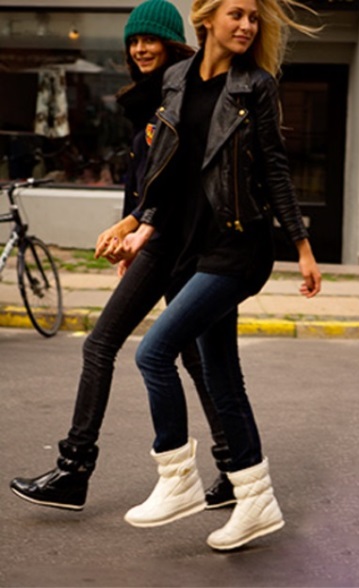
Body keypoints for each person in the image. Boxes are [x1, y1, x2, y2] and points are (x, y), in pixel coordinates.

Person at [106, 0, 322, 551]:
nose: (247, 25)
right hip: (193, 248)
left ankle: (176, 476)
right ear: (206, 19)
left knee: (153, 353)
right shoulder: (177, 78)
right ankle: (255, 499)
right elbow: (167, 169)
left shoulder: (256, 86)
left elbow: (274, 167)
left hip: (238, 247)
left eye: (252, 17)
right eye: (236, 14)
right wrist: (142, 224)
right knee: (222, 375)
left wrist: (301, 245)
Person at [9, 0, 235, 513]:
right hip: (161, 243)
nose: (139, 49)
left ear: (171, 44)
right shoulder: (149, 100)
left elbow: (176, 182)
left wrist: (134, 226)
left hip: (174, 243)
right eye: (133, 41)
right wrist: (130, 235)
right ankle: (235, 468)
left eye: (149, 39)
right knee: (191, 357)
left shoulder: (178, 94)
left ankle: (74, 470)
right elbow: (144, 180)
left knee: (104, 345)